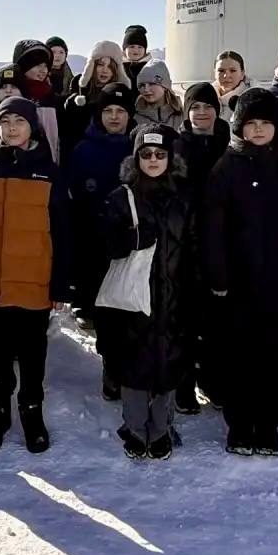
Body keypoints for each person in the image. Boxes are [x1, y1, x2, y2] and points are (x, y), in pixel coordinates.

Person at [205, 88, 278, 457]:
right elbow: (213, 228)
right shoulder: (226, 168)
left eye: (265, 123)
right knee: (238, 352)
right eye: (250, 123)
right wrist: (218, 276)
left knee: (276, 352)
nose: (257, 130)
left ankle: (268, 422)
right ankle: (239, 423)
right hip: (238, 282)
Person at [0, 97, 74, 454]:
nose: (12, 128)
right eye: (5, 121)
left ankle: (32, 414)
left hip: (35, 279)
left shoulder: (50, 172)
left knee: (33, 353)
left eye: (19, 121)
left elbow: (63, 232)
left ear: (33, 126)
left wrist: (61, 283)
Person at [99, 125, 193, 460]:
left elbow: (194, 247)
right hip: (132, 303)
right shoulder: (120, 197)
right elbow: (101, 246)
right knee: (134, 367)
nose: (153, 160)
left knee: (169, 365)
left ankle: (162, 428)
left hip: (174, 299)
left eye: (160, 154)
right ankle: (136, 429)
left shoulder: (183, 199)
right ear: (136, 158)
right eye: (146, 154)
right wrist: (131, 239)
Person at [66, 82, 136, 390]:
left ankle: (134, 368)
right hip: (95, 242)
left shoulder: (139, 147)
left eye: (121, 110)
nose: (114, 116)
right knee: (106, 311)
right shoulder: (83, 150)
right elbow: (74, 198)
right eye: (108, 110)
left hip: (134, 244)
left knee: (133, 310)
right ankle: (112, 367)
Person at [175, 82, 231, 413]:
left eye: (207, 106)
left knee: (217, 321)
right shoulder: (176, 147)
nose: (201, 112)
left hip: (222, 244)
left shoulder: (229, 145)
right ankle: (184, 385)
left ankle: (212, 381)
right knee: (184, 320)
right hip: (184, 244)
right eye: (195, 106)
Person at [61, 41, 131, 160]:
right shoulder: (78, 94)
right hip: (81, 156)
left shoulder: (122, 95)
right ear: (92, 65)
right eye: (100, 64)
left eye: (110, 66)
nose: (105, 70)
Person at [13, 39, 63, 164]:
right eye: (37, 65)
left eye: (45, 66)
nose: (43, 70)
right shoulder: (12, 97)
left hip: (50, 166)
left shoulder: (52, 98)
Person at [134, 61, 184, 131]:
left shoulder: (182, 115)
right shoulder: (134, 116)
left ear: (165, 86)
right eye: (142, 85)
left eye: (152, 84)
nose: (146, 89)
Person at [213, 50, 249, 121]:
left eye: (232, 71)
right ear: (215, 73)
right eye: (221, 71)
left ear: (242, 74)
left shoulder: (251, 102)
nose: (226, 76)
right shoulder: (203, 98)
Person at [121, 25, 150, 89]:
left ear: (145, 50)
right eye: (132, 47)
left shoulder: (151, 67)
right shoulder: (118, 67)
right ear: (124, 50)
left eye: (140, 47)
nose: (136, 50)